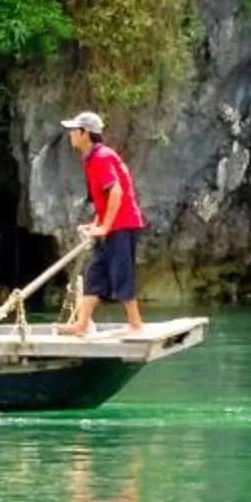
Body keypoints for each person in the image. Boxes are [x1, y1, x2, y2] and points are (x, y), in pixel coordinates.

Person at [61, 111, 145, 335]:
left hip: (123, 224)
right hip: (112, 225)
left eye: (74, 130)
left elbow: (116, 193)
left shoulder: (101, 157)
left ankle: (135, 324)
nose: (70, 134)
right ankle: (81, 324)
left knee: (121, 272)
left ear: (85, 133)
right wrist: (95, 224)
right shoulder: (90, 158)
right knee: (96, 273)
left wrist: (105, 227)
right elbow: (104, 200)